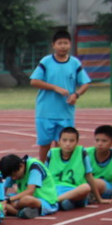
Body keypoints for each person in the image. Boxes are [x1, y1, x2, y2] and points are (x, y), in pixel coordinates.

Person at [30, 30, 92, 163]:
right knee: (44, 144)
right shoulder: (46, 62)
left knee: (63, 145)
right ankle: (43, 168)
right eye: (59, 43)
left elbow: (85, 83)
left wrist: (76, 94)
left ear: (70, 44)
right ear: (53, 45)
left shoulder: (74, 63)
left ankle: (58, 168)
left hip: (65, 112)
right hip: (46, 112)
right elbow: (34, 81)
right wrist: (55, 87)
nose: (63, 46)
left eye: (65, 43)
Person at [45, 127, 93, 211]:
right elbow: (45, 175)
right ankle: (62, 202)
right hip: (55, 189)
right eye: (64, 140)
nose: (67, 144)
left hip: (74, 191)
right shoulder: (52, 153)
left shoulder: (81, 152)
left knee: (86, 187)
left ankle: (55, 201)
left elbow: (89, 175)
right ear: (59, 141)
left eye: (71, 141)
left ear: (77, 142)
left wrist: (99, 198)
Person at [0, 153, 58, 219]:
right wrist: (2, 200)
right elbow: (2, 190)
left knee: (27, 200)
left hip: (44, 201)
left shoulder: (34, 167)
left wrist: (8, 200)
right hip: (20, 199)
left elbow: (30, 191)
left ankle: (14, 209)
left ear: (21, 166)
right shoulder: (13, 169)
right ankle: (19, 212)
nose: (13, 178)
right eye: (10, 176)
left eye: (14, 175)